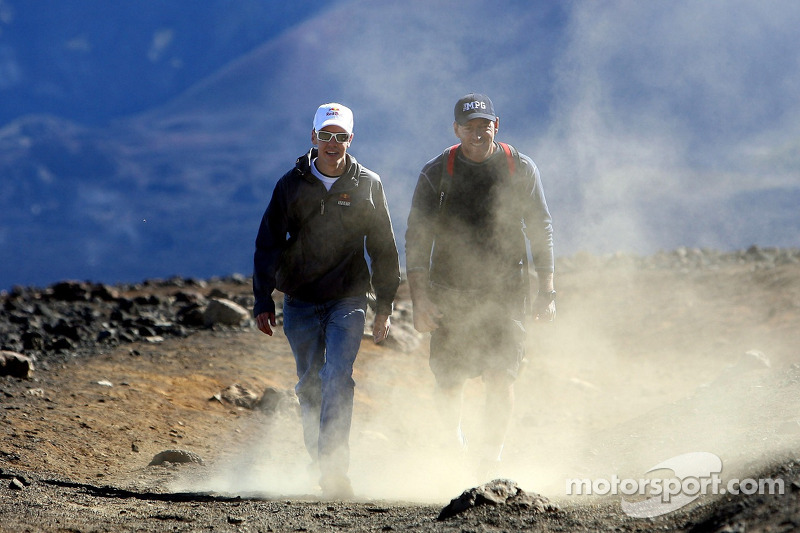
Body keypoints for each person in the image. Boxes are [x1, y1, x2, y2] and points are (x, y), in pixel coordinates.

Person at [253, 103, 401, 498]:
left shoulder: (368, 184)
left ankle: (335, 471)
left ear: (350, 140)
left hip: (348, 299)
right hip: (299, 300)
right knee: (309, 386)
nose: (333, 143)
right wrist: (261, 298)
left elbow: (384, 247)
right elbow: (268, 243)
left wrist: (384, 305)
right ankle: (321, 462)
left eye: (341, 136)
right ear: (314, 137)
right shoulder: (290, 185)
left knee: (337, 376)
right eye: (326, 135)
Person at [405, 93, 556, 478]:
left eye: (484, 125)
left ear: (496, 125)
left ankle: (491, 460)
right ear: (456, 129)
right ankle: (455, 445)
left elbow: (541, 229)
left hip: (508, 292)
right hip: (450, 292)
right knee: (449, 381)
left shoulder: (518, 167)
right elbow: (417, 239)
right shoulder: (437, 171)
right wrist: (419, 301)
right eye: (469, 126)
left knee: (500, 375)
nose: (477, 132)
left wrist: (547, 291)